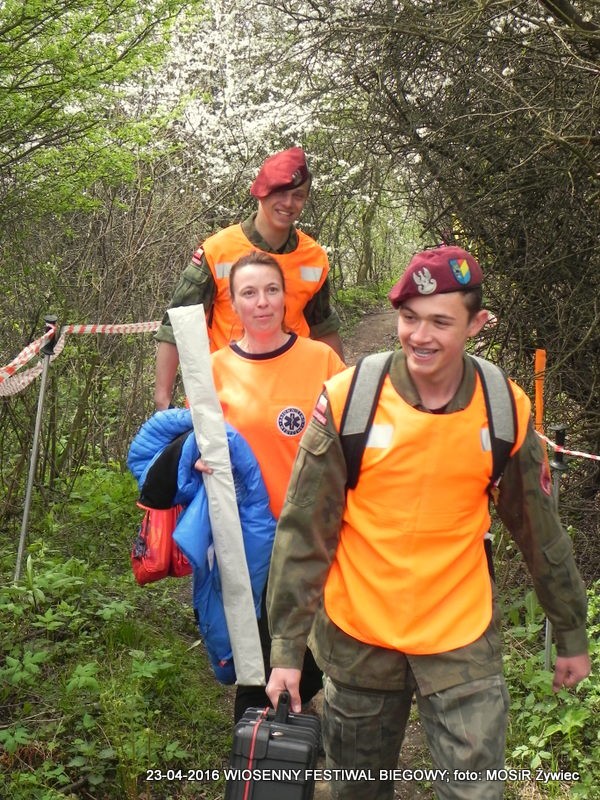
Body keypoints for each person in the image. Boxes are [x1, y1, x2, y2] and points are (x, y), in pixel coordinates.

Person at [265, 245, 590, 800]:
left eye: (440, 322)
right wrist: (286, 650)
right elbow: (304, 531)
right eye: (409, 317)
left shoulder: (502, 407)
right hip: (360, 635)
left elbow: (540, 532)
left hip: (460, 637)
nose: (420, 336)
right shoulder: (349, 400)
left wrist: (570, 631)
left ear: (476, 324)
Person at [195, 249, 346, 722]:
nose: (261, 302)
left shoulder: (322, 360)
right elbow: (199, 443)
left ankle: (301, 718)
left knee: (315, 646)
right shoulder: (214, 369)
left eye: (271, 290)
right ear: (232, 304)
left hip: (313, 534)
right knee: (257, 659)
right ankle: (259, 749)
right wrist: (196, 461)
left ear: (286, 298)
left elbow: (351, 440)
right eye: (249, 293)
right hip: (246, 540)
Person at [154, 146, 344, 410]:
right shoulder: (217, 250)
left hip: (296, 393)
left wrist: (340, 392)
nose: (289, 203)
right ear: (261, 191)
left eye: (298, 195)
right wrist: (162, 399)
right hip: (228, 394)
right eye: (280, 193)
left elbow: (323, 327)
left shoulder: (313, 257)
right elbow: (177, 325)